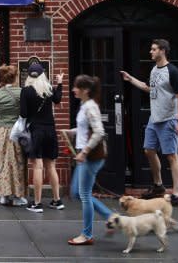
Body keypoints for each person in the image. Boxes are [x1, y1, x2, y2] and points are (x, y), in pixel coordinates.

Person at [120, 38, 178, 205]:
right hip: (154, 118)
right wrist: (130, 79)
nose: (151, 52)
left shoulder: (173, 71)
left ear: (163, 50)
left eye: (154, 49)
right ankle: (158, 185)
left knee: (171, 155)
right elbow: (149, 88)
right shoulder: (154, 70)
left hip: (168, 119)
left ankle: (176, 194)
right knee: (149, 150)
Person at [66, 74, 114, 246]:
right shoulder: (84, 104)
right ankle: (111, 217)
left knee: (83, 194)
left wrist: (84, 152)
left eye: (76, 87)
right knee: (77, 193)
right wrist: (73, 131)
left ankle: (87, 235)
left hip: (90, 157)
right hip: (85, 156)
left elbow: (99, 132)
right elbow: (85, 127)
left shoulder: (90, 106)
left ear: (85, 90)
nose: (73, 89)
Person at [20, 63, 64, 213]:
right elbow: (58, 99)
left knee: (37, 167)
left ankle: (37, 204)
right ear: (42, 75)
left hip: (36, 131)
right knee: (51, 166)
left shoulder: (25, 91)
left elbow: (24, 113)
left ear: (29, 76)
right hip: (50, 130)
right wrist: (60, 82)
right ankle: (57, 201)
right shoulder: (48, 89)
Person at [0, 64, 27, 207]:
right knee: (17, 162)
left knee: (2, 161)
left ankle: (3, 195)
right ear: (15, 77)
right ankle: (18, 196)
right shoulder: (22, 93)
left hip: (1, 130)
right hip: (17, 130)